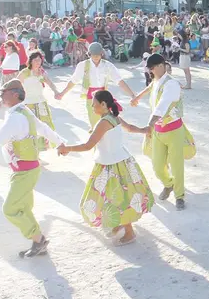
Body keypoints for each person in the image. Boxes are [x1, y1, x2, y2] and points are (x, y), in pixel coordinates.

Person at [0, 80, 65, 258]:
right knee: (23, 207)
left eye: (4, 92)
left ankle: (38, 239)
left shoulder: (16, 117)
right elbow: (43, 128)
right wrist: (60, 142)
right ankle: (38, 242)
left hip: (25, 171)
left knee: (10, 209)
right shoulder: (23, 111)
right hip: (26, 169)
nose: (1, 96)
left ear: (15, 94)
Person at [58, 90, 154, 246]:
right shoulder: (113, 117)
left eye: (94, 104)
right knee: (115, 196)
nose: (92, 107)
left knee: (117, 197)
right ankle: (118, 225)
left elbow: (88, 146)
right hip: (120, 161)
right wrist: (144, 130)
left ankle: (129, 232)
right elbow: (129, 127)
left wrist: (66, 148)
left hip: (111, 165)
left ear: (103, 104)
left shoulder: (104, 122)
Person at [128, 54, 191, 210]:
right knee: (157, 166)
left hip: (174, 130)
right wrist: (137, 97)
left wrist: (149, 125)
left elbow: (162, 106)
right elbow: (150, 88)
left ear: (161, 65)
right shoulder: (156, 81)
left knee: (176, 165)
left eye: (152, 68)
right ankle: (169, 184)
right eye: (149, 69)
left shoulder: (172, 84)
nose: (150, 71)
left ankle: (179, 196)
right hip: (158, 130)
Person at [55, 42, 136, 130]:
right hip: (91, 98)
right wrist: (62, 93)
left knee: (108, 123)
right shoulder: (83, 65)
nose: (96, 56)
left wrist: (132, 95)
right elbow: (73, 81)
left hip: (104, 97)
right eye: (93, 54)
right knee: (94, 123)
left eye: (98, 54)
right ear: (89, 54)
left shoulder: (108, 65)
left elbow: (120, 81)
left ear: (102, 53)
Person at [18, 51, 59, 148]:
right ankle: (32, 151)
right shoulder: (25, 72)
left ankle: (40, 149)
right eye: (35, 60)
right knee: (31, 128)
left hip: (41, 103)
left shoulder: (41, 72)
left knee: (45, 127)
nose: (37, 62)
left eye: (39, 60)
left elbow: (49, 82)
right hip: (28, 104)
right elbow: (16, 83)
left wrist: (56, 92)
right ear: (31, 61)